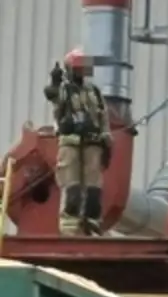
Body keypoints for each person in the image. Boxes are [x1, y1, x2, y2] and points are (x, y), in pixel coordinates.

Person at [44, 48, 112, 236]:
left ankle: (92, 223)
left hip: (93, 143)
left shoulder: (94, 91)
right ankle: (69, 228)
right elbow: (53, 96)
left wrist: (106, 139)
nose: (82, 72)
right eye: (78, 68)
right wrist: (55, 82)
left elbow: (103, 116)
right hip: (70, 143)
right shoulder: (64, 90)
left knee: (93, 186)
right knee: (71, 185)